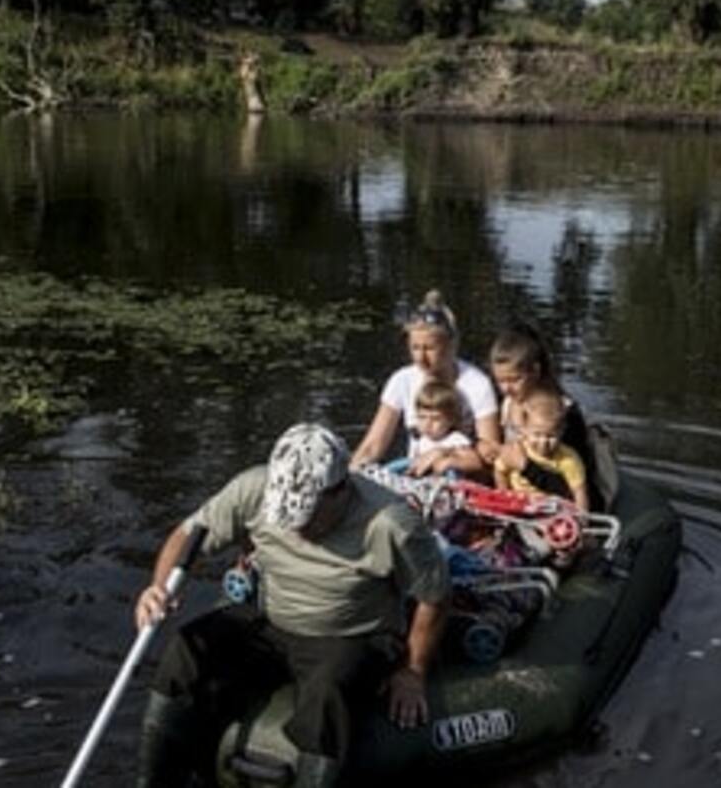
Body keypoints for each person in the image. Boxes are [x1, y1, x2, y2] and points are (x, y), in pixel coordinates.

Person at [132, 424, 449, 788]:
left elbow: (434, 596)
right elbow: (191, 533)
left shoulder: (391, 523)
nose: (297, 529)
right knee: (187, 648)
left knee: (326, 695)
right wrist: (158, 587)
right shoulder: (253, 488)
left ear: (340, 490)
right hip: (271, 619)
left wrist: (413, 671)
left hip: (351, 634)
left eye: (308, 517)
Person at [351, 290, 499, 472]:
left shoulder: (477, 384)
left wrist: (444, 452)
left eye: (430, 348)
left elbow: (491, 453)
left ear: (451, 345)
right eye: (415, 348)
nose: (421, 358)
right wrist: (350, 476)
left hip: (464, 477)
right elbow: (373, 446)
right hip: (415, 472)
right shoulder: (401, 380)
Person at [481, 322, 600, 510]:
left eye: (514, 379)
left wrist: (526, 467)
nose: (506, 388)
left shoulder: (564, 414)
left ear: (535, 371)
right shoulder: (507, 403)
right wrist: (486, 447)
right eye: (500, 381)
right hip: (515, 500)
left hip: (552, 506)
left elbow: (580, 489)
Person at [493, 389, 590, 514]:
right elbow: (500, 470)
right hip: (519, 505)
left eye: (550, 436)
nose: (543, 442)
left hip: (552, 510)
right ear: (524, 430)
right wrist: (504, 493)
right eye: (537, 435)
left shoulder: (568, 459)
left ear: (561, 431)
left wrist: (582, 518)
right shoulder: (517, 449)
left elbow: (579, 492)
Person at [405, 381, 477, 478]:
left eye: (436, 419)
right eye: (422, 417)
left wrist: (452, 462)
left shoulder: (455, 440)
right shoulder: (422, 440)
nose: (427, 424)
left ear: (450, 420)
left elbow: (475, 462)